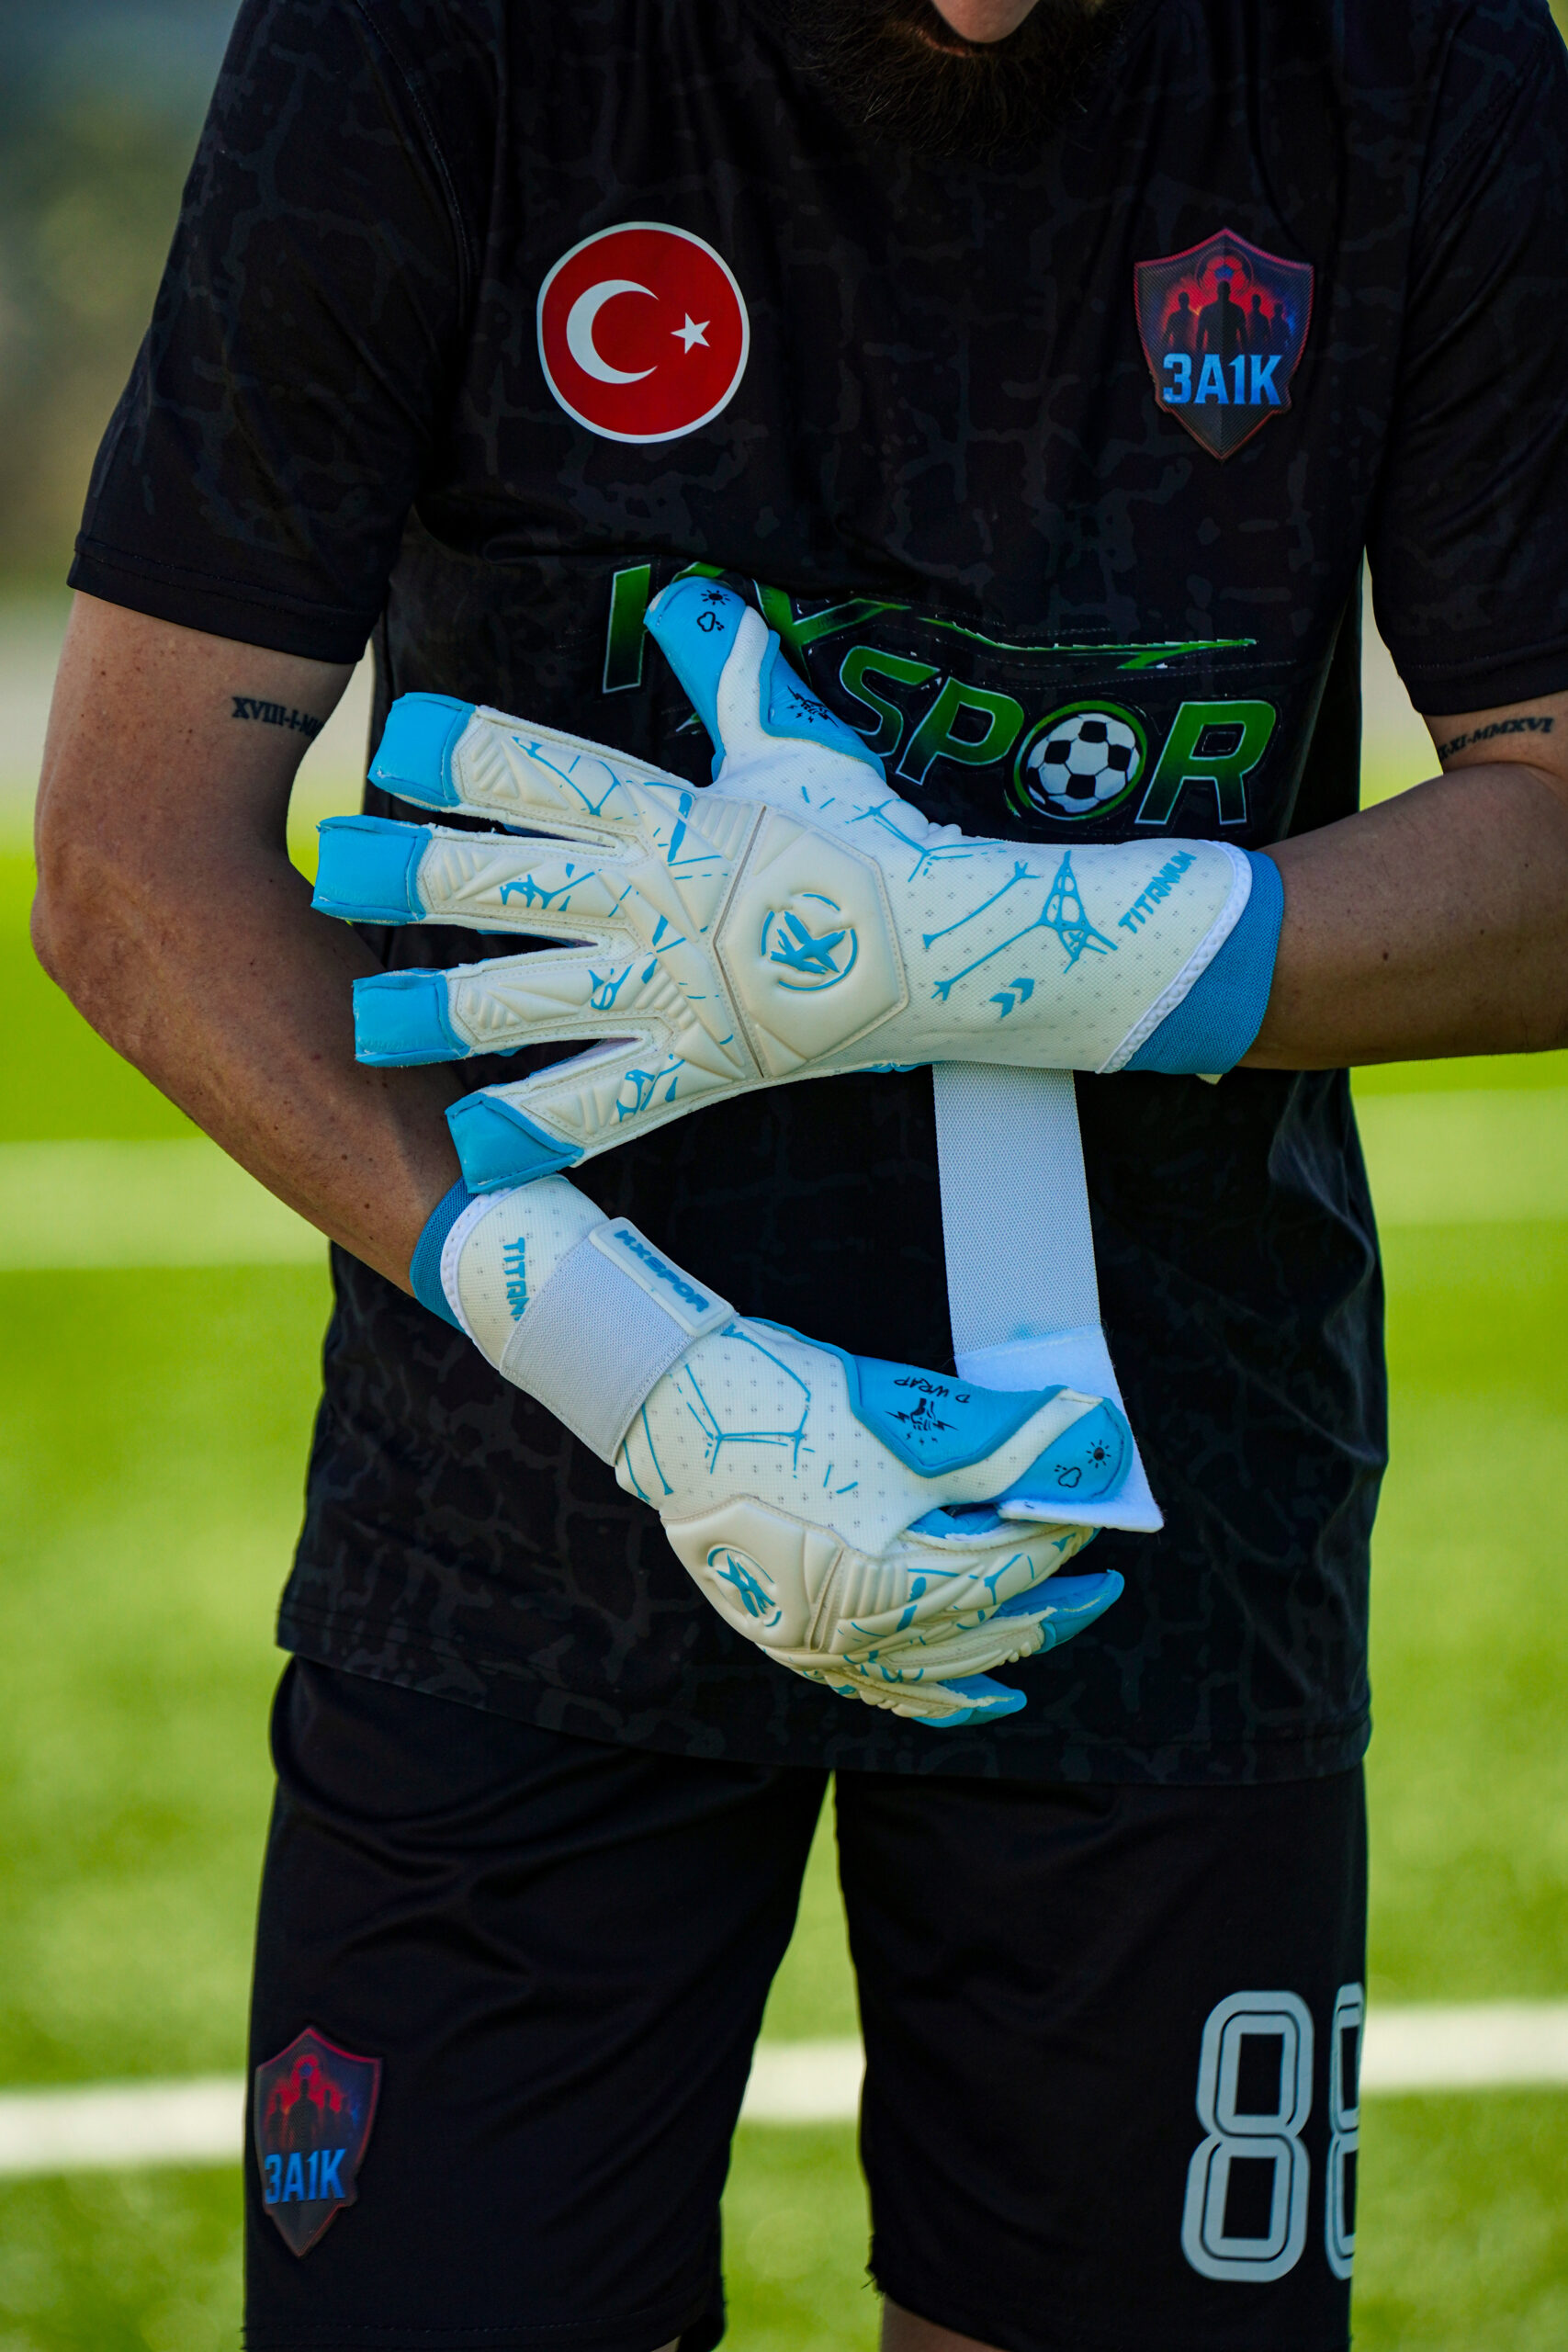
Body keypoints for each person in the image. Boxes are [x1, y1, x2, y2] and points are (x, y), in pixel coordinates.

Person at [30, 0, 1568, 2347]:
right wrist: (652, 1378)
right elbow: (133, 858)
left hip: (1153, 1514)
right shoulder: (425, 35)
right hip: (530, 1508)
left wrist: (978, 944)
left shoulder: (1413, 58)